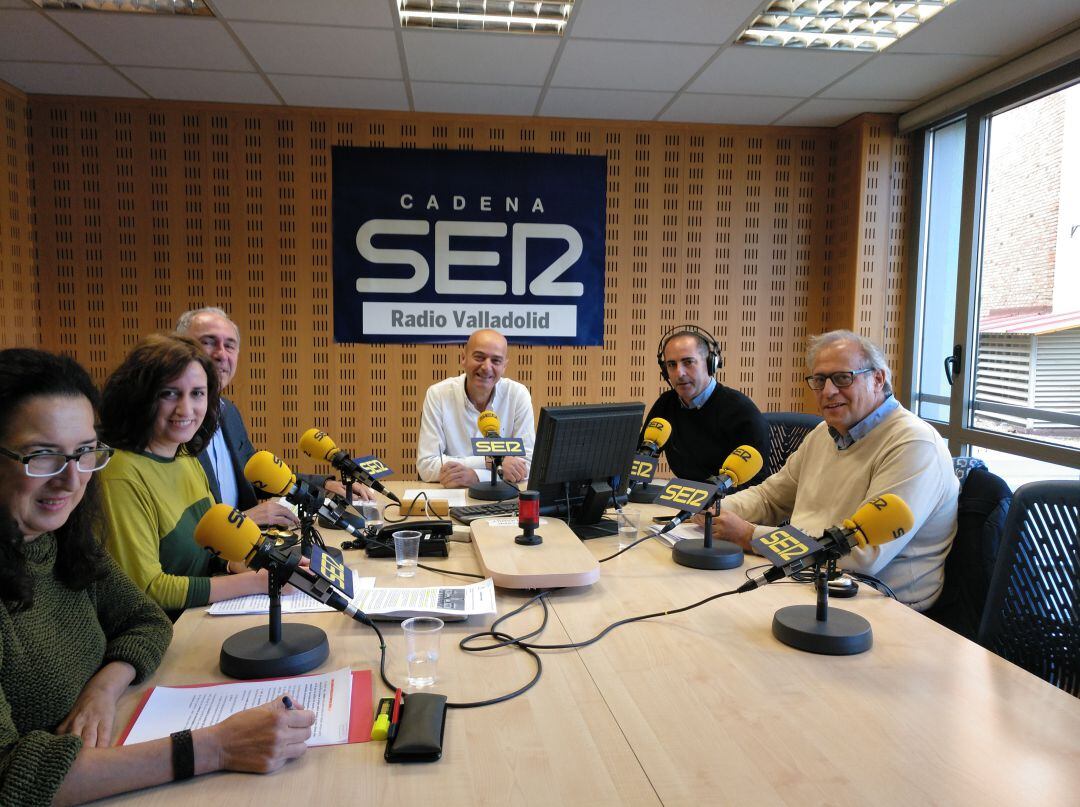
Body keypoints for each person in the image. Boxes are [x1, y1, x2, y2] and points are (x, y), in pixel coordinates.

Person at [0, 348, 314, 805]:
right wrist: (215, 746)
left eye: (85, 453)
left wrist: (103, 687)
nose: (71, 481)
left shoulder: (60, 541)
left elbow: (145, 618)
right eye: (42, 456)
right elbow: (11, 777)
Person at [708, 330, 959, 611]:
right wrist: (714, 507)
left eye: (842, 378)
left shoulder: (914, 445)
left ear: (878, 379)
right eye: (819, 380)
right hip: (804, 576)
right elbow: (770, 497)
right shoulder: (823, 434)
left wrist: (752, 537)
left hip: (877, 602)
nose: (828, 392)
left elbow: (863, 556)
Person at [98, 334, 275, 615]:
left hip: (201, 615)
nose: (186, 409)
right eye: (169, 393)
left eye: (197, 393)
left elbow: (209, 548)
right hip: (167, 632)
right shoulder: (120, 474)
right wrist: (257, 583)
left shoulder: (184, 454)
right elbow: (147, 590)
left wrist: (247, 565)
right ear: (139, 397)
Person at [175, 307, 374, 524]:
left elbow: (256, 477)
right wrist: (242, 520)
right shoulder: (172, 426)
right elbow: (173, 531)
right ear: (179, 349)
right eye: (208, 342)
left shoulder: (227, 412)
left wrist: (323, 485)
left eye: (230, 345)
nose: (221, 354)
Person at [643, 326, 769, 483]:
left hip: (728, 503)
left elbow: (757, 482)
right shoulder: (666, 404)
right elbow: (638, 457)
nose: (679, 373)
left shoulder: (741, 411)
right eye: (671, 365)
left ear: (711, 364)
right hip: (687, 498)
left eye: (688, 362)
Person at [416, 329, 536, 486]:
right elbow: (427, 465)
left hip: (503, 498)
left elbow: (526, 465)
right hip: (452, 497)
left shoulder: (517, 394)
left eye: (496, 361)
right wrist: (488, 462)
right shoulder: (438, 394)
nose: (486, 367)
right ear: (463, 358)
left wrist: (476, 477)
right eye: (479, 357)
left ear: (504, 366)